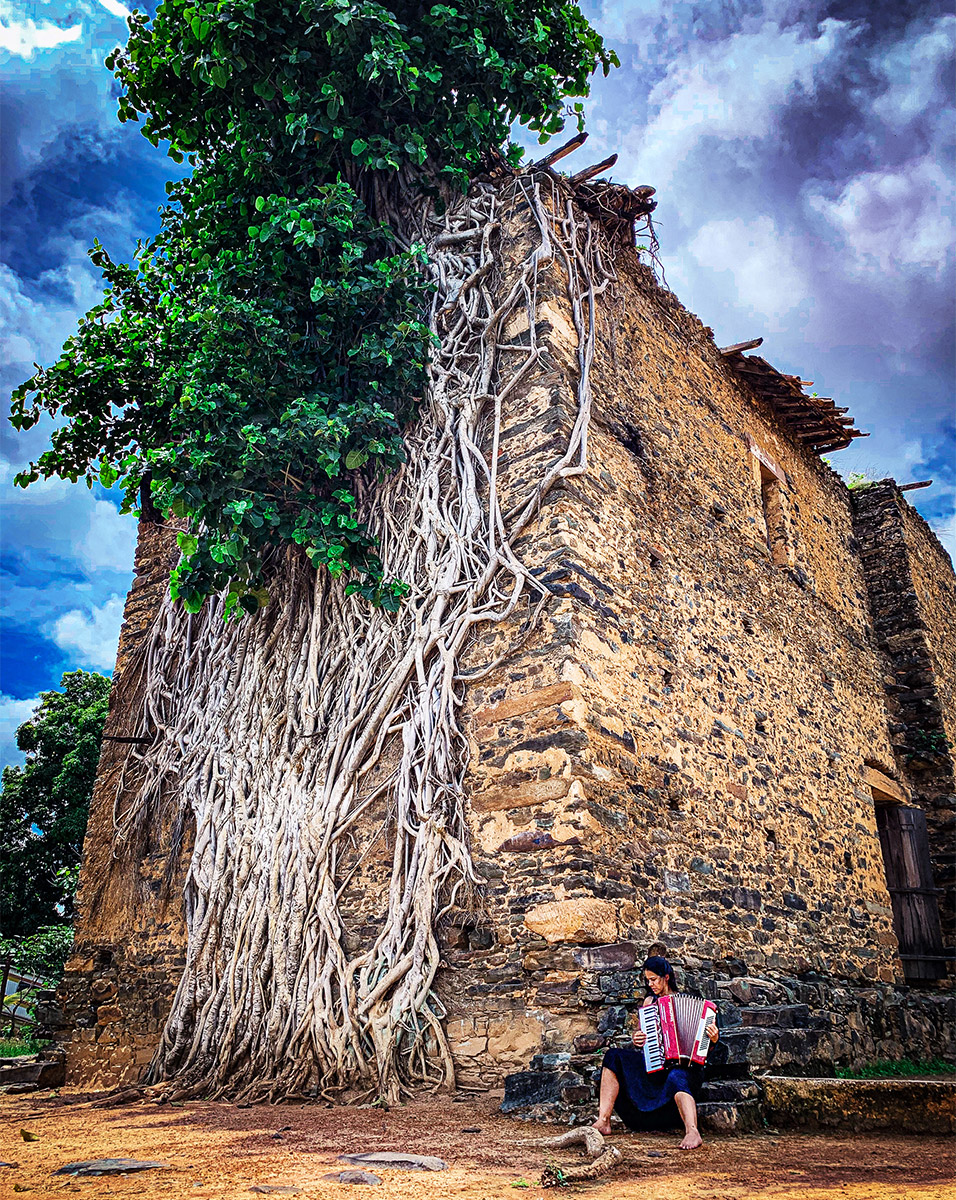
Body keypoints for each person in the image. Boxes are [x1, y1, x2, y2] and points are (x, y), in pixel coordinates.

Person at [592, 955, 719, 1150]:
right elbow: (645, 1040)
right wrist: (638, 1039)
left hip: (686, 1068)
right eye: (648, 980)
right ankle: (604, 1120)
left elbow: (705, 1049)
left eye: (654, 979)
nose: (650, 984)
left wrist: (713, 1038)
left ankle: (692, 1131)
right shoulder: (650, 1002)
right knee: (613, 1056)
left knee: (677, 1076)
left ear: (666, 977)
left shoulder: (692, 1003)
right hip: (657, 1065)